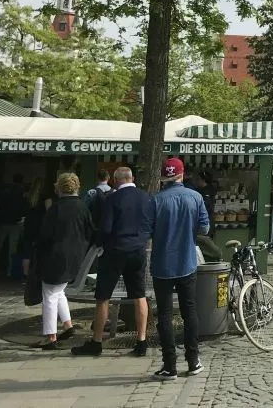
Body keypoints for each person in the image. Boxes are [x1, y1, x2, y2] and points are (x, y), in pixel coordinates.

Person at [72, 166, 154, 358]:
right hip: (138, 250)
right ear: (132, 178)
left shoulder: (112, 199)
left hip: (115, 251)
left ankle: (97, 341)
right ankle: (141, 340)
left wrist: (98, 243)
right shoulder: (146, 197)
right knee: (139, 295)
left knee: (103, 296)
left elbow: (106, 228)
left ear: (116, 181)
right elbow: (151, 223)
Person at [150, 158, 209, 380]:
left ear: (164, 178)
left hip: (162, 265)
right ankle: (193, 361)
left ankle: (169, 366)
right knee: (189, 312)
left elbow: (147, 231)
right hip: (187, 262)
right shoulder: (195, 197)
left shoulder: (155, 201)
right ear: (181, 175)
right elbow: (204, 227)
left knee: (164, 314)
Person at [36, 173, 92, 350]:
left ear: (59, 188)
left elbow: (45, 235)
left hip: (56, 256)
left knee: (50, 294)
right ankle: (67, 325)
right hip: (76, 256)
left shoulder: (56, 208)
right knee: (59, 291)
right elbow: (90, 232)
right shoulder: (82, 207)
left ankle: (51, 335)